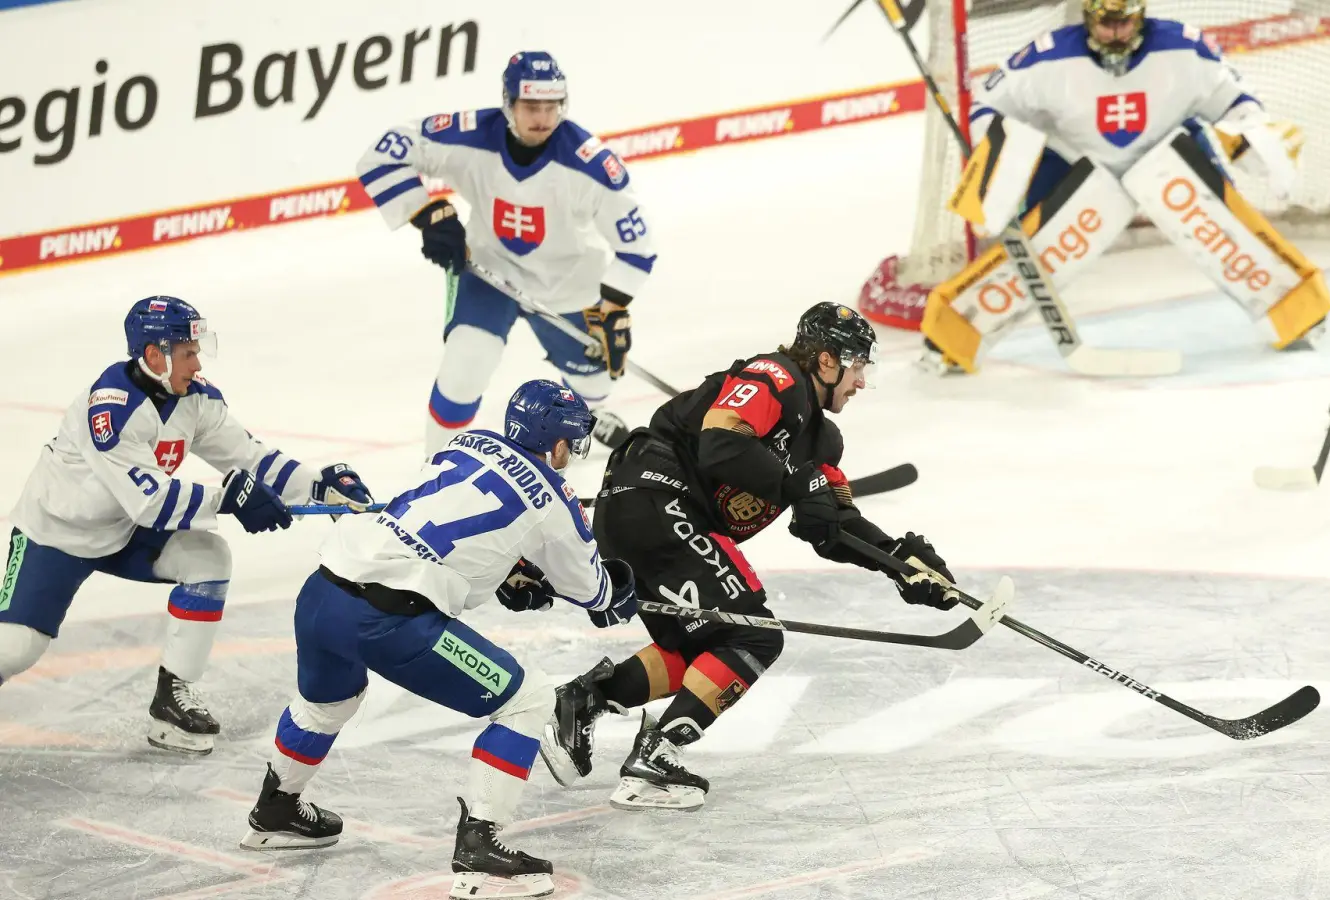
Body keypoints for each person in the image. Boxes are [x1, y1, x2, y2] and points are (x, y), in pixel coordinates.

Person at [540, 302, 963, 812]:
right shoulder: (774, 376)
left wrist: (897, 562)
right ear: (826, 361)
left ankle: (587, 698)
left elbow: (829, 526)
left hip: (657, 514)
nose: (861, 382)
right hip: (654, 497)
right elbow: (721, 442)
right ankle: (656, 756)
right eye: (857, 367)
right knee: (753, 633)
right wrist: (793, 482)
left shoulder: (823, 440)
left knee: (713, 643)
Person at [238, 380, 638, 900]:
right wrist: (621, 587)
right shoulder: (556, 498)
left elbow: (448, 528)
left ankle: (275, 809)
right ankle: (479, 852)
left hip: (322, 593)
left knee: (328, 703)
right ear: (558, 444)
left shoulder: (466, 442)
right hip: (389, 620)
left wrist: (509, 574)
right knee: (529, 698)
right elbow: (596, 593)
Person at [0, 296, 372, 754]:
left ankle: (170, 702)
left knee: (209, 559)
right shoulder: (111, 409)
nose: (197, 362)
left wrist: (318, 487)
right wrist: (230, 500)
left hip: (120, 530)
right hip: (54, 535)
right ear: (154, 355)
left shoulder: (195, 398)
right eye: (187, 351)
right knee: (15, 648)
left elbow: (251, 459)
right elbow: (150, 503)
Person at [919, 0, 1330, 371]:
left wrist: (1253, 136)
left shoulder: (1186, 48)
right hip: (1075, 161)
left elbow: (1239, 102)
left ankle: (1297, 311)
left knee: (1223, 229)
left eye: (1124, 23)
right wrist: (997, 155)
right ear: (1087, 17)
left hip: (1168, 155)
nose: (1115, 33)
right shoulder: (1046, 57)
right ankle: (952, 333)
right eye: (1106, 24)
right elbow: (987, 106)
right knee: (1042, 255)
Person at [355, 50, 657, 457]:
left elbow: (637, 247)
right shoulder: (470, 135)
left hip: (567, 285)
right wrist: (427, 213)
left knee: (594, 383)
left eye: (552, 107)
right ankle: (438, 466)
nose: (543, 118)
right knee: (464, 369)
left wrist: (615, 305)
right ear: (508, 102)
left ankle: (591, 412)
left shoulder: (592, 165)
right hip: (490, 273)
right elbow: (381, 154)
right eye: (531, 106)